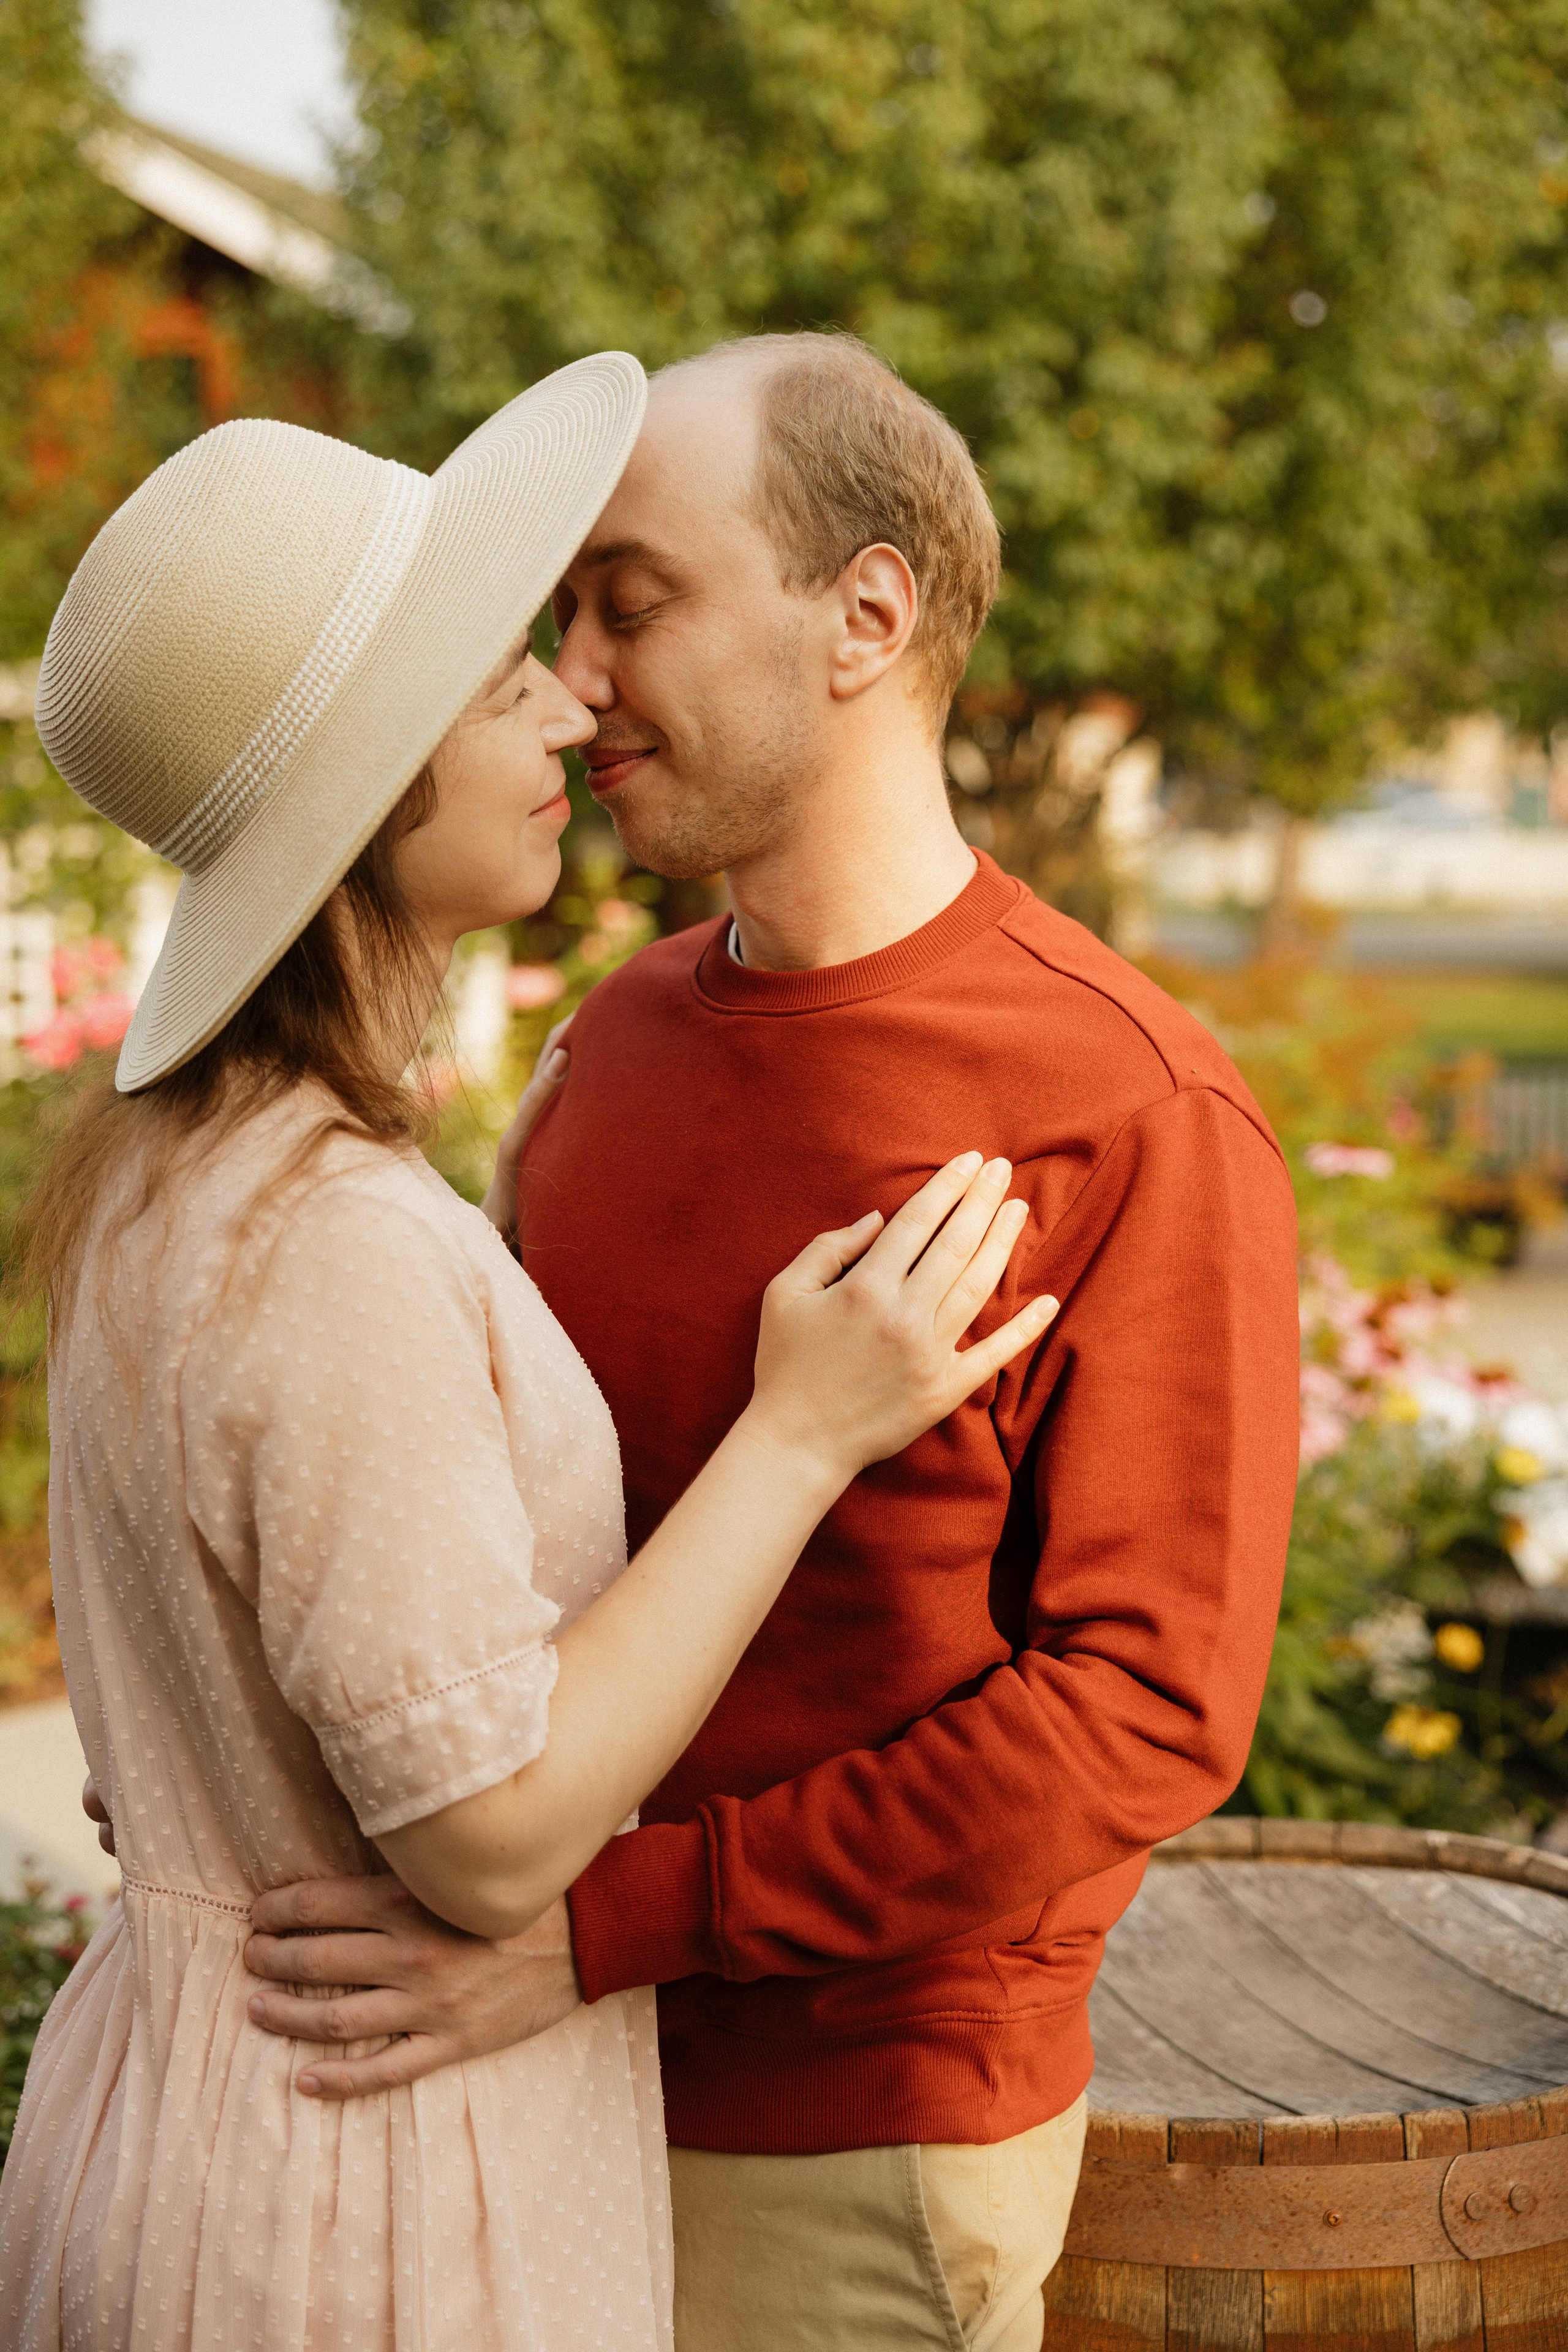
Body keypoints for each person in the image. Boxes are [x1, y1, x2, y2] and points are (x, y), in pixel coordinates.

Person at [238, 334, 1303, 2351]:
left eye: (631, 604)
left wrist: (614, 1928)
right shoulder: (617, 1043)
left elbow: (1143, 1710)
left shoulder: (1131, 1107)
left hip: (841, 2141)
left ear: (865, 618)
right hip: (514, 2062)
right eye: (566, 617)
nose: (573, 682)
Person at [0, 353, 1055, 2352]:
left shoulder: (178, 1175)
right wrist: (801, 1435)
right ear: (377, 781)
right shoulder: (327, 1236)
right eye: (507, 680)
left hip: (202, 2115)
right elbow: (490, 1840)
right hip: (358, 2206)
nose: (575, 704)